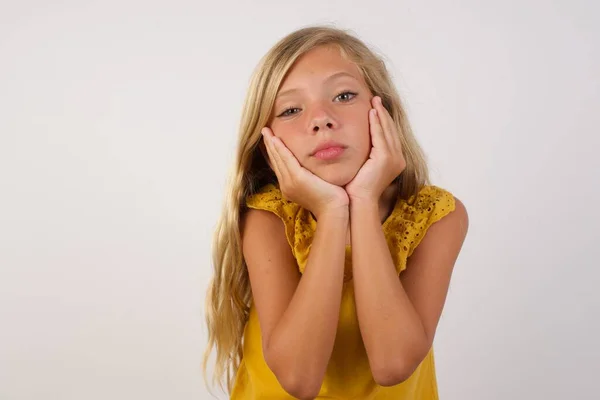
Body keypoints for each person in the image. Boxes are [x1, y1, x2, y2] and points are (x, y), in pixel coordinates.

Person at [202, 25, 469, 400]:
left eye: (344, 95)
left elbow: (393, 364)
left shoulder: (438, 216)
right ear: (268, 144)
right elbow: (299, 379)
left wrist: (361, 202)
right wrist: (331, 212)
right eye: (292, 109)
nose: (321, 119)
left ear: (385, 111)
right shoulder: (268, 218)